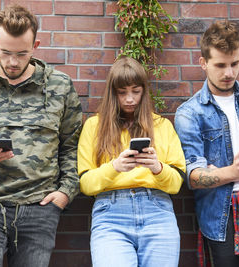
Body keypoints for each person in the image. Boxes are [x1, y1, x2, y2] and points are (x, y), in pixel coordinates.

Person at [0, 4, 82, 267]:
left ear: (36, 45)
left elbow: (73, 147)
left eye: (22, 53)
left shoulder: (60, 86)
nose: (12, 62)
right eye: (5, 52)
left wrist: (65, 192)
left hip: (40, 206)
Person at [175, 20, 239, 267]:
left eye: (234, 64)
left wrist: (222, 172)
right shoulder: (189, 113)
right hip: (223, 215)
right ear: (203, 63)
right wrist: (236, 170)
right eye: (220, 65)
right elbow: (194, 177)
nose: (229, 73)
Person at [78, 57, 186, 267]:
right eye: (122, 92)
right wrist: (114, 167)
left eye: (136, 91)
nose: (129, 99)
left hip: (158, 211)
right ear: (113, 93)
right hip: (110, 214)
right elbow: (85, 184)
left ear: (144, 91)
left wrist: (158, 168)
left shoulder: (162, 125)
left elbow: (176, 183)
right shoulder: (94, 126)